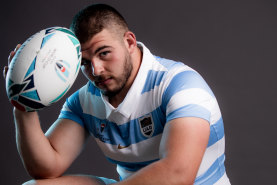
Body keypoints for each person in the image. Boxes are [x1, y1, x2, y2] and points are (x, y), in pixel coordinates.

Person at [4, 4, 231, 185]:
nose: (96, 70)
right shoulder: (84, 100)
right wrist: (23, 104)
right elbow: (46, 168)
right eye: (84, 63)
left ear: (129, 42)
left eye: (104, 53)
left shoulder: (181, 85)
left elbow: (177, 174)